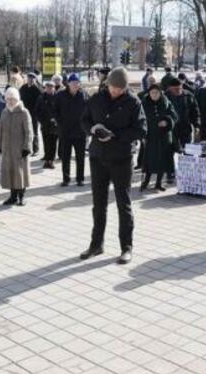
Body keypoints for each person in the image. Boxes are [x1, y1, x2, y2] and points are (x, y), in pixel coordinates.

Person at [81, 67, 147, 264]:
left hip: (121, 158)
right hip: (97, 157)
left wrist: (116, 135)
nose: (115, 91)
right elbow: (84, 120)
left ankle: (126, 247)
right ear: (107, 83)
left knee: (123, 203)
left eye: (119, 89)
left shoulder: (133, 102)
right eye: (112, 87)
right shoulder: (96, 98)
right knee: (98, 204)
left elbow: (141, 130)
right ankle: (96, 244)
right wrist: (93, 129)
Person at [0, 88, 33, 206]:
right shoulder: (4, 112)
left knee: (20, 173)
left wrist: (27, 147)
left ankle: (22, 196)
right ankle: (13, 197)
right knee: (10, 173)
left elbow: (29, 131)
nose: (10, 101)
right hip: (7, 149)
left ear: (17, 99)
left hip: (20, 149)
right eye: (8, 99)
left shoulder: (24, 112)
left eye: (13, 99)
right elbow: (0, 130)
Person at [140, 84, 177, 192]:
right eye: (152, 93)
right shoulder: (144, 103)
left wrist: (167, 121)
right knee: (149, 159)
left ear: (160, 93)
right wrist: (142, 134)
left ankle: (158, 183)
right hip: (150, 135)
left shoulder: (166, 102)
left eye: (156, 93)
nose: (154, 95)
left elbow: (174, 116)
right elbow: (139, 118)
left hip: (163, 136)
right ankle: (146, 181)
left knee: (161, 159)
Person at [54, 74, 89, 187]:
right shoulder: (60, 95)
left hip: (80, 132)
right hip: (65, 132)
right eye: (73, 83)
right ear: (68, 84)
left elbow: (90, 111)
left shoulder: (84, 95)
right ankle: (66, 179)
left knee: (80, 157)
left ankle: (80, 179)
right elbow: (55, 110)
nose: (75, 85)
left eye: (77, 83)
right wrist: (60, 122)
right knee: (65, 157)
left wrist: (86, 125)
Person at [167, 77, 200, 183]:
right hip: (171, 128)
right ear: (170, 88)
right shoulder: (165, 96)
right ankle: (170, 173)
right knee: (170, 150)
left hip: (185, 127)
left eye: (179, 88)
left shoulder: (189, 95)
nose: (177, 91)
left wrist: (197, 125)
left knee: (188, 150)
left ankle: (188, 173)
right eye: (175, 89)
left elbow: (195, 111)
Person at [34, 80, 59, 169]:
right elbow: (37, 111)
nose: (49, 88)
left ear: (54, 88)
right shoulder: (41, 98)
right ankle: (47, 160)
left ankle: (51, 161)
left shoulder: (57, 97)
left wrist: (56, 119)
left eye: (51, 87)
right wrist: (41, 120)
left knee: (53, 144)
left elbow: (61, 111)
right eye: (48, 87)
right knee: (46, 143)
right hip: (45, 125)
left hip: (55, 126)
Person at [19, 73, 43, 156]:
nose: (31, 80)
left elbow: (40, 102)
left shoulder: (37, 89)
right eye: (29, 78)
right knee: (24, 130)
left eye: (32, 79)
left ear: (35, 80)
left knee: (34, 131)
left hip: (33, 113)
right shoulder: (23, 88)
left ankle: (35, 149)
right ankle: (26, 148)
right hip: (24, 112)